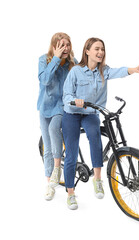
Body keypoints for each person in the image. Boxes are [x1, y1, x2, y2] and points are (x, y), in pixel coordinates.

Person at [62, 37, 139, 210]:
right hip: (72, 114)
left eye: (102, 49)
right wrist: (74, 100)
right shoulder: (76, 71)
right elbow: (66, 95)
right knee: (71, 152)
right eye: (96, 49)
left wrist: (134, 70)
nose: (100, 52)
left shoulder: (103, 71)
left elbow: (119, 72)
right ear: (87, 51)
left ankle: (98, 179)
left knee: (95, 139)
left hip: (91, 113)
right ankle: (70, 193)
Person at [37, 32, 77, 200]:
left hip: (62, 107)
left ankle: (57, 168)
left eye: (67, 45)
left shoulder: (71, 65)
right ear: (54, 47)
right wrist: (55, 58)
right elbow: (44, 80)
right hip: (44, 107)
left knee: (55, 128)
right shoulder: (43, 59)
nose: (65, 48)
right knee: (47, 147)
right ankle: (50, 184)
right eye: (61, 45)